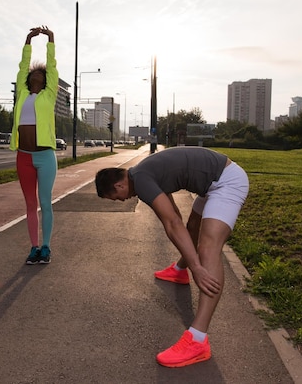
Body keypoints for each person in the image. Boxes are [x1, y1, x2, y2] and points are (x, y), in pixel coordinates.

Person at [94, 146, 249, 368]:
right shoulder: (143, 174)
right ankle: (179, 271)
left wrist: (197, 267)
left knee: (208, 248)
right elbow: (175, 216)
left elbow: (171, 223)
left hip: (227, 182)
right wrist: (189, 263)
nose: (120, 200)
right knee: (193, 226)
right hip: (213, 181)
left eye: (115, 197)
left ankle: (198, 339)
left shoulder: (142, 180)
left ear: (119, 185)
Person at [9, 26, 59, 265]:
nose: (35, 75)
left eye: (41, 74)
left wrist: (51, 40)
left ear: (46, 80)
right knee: (30, 204)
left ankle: (46, 246)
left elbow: (52, 67)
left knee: (45, 202)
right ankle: (34, 247)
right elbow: (22, 67)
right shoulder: (22, 94)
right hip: (24, 157)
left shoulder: (49, 94)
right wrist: (28, 41)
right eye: (32, 75)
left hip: (45, 157)